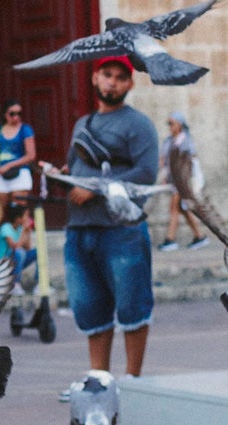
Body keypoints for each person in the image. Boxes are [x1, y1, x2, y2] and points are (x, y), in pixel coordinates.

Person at [63, 56, 159, 376]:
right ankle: (99, 382)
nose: (112, 82)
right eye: (107, 74)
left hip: (122, 231)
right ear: (95, 78)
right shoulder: (82, 124)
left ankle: (133, 382)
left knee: (133, 308)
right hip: (80, 229)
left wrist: (96, 189)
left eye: (120, 77)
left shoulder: (139, 125)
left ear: (130, 83)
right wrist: (61, 175)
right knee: (89, 309)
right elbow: (74, 167)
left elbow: (146, 174)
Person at [158, 115, 207, 251]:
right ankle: (199, 236)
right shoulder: (169, 141)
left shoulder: (185, 140)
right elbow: (163, 159)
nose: (170, 126)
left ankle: (170, 239)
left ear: (179, 124)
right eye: (168, 123)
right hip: (173, 179)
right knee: (183, 209)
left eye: (172, 123)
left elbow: (192, 159)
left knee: (173, 208)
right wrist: (164, 174)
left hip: (182, 180)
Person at [0, 101, 36, 218]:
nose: (16, 117)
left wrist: (9, 166)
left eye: (19, 114)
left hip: (20, 172)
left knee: (19, 210)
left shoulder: (25, 129)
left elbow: (31, 155)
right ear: (5, 114)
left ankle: (24, 229)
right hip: (0, 174)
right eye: (12, 114)